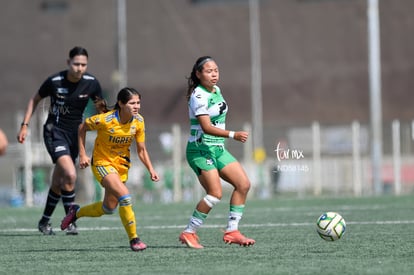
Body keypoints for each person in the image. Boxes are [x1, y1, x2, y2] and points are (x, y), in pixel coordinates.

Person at [17, 46, 107, 235]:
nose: (79, 68)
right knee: (71, 174)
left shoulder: (91, 83)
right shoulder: (55, 81)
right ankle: (71, 220)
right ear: (68, 63)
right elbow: (35, 100)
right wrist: (25, 125)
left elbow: (102, 111)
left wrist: (109, 128)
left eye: (83, 64)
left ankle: (44, 222)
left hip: (75, 136)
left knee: (61, 181)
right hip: (54, 132)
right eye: (76, 64)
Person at [60, 87, 160, 252]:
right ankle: (134, 239)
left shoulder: (139, 122)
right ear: (120, 104)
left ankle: (76, 212)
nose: (136, 106)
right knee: (125, 197)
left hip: (121, 167)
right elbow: (82, 128)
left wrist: (151, 169)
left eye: (138, 103)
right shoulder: (105, 120)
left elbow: (141, 150)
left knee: (108, 208)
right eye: (132, 103)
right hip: (102, 163)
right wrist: (83, 154)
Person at [179, 56, 255, 249]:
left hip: (218, 149)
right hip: (200, 150)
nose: (213, 74)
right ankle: (189, 232)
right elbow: (205, 127)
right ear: (198, 74)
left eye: (216, 70)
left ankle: (232, 230)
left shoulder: (216, 90)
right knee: (214, 194)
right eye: (208, 71)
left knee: (243, 184)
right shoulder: (198, 96)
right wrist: (233, 134)